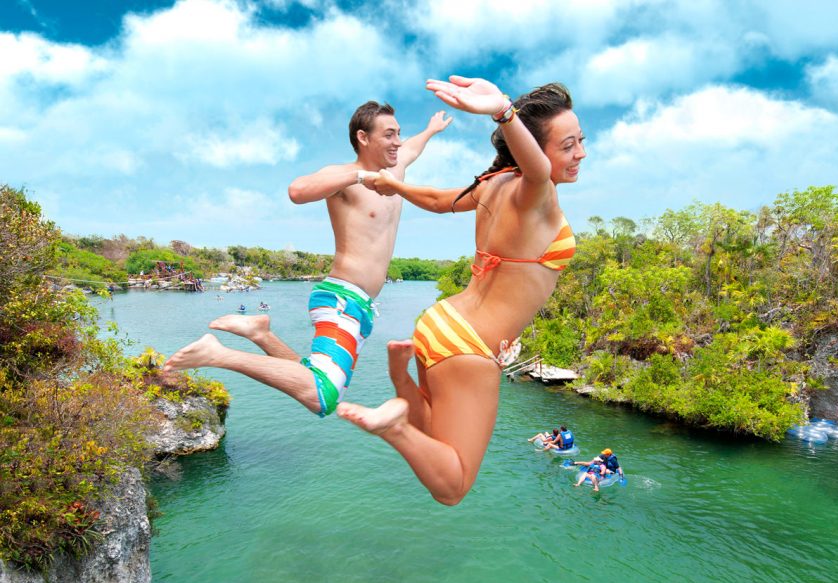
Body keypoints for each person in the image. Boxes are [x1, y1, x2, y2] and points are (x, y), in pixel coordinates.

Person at [337, 76, 586, 505]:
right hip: (470, 345)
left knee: (437, 439)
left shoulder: (495, 183)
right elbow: (539, 172)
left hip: (440, 322)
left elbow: (436, 199)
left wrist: (396, 186)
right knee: (453, 487)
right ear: (533, 148)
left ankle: (400, 381)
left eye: (580, 140)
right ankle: (394, 426)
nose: (580, 152)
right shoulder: (535, 191)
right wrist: (503, 111)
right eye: (567, 145)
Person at [163, 103, 452, 417]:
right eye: (389, 134)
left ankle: (260, 332)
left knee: (313, 376)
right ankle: (217, 354)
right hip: (342, 298)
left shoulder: (395, 173)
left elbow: (411, 148)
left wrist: (431, 130)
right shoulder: (342, 176)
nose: (397, 141)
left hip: (360, 304)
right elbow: (297, 191)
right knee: (322, 396)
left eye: (399, 133)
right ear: (363, 138)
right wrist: (357, 176)